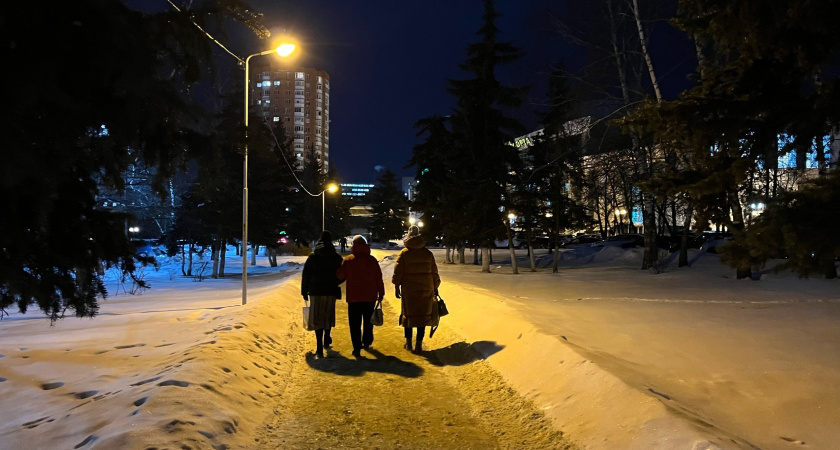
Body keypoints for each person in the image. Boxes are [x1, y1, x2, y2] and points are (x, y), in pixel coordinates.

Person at [392, 225, 441, 354]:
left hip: (409, 290)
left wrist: (397, 287)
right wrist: (435, 287)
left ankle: (408, 343)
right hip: (426, 288)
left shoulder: (404, 253)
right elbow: (434, 273)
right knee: (422, 316)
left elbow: (398, 273)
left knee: (408, 315)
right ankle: (419, 344)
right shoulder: (427, 254)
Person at [337, 235, 385, 358]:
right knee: (369, 322)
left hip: (353, 297)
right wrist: (381, 292)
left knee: (354, 324)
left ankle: (356, 348)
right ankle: (367, 342)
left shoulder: (348, 260)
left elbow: (340, 276)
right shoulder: (372, 260)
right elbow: (378, 278)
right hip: (370, 296)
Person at [301, 230, 344, 358]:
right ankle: (327, 337)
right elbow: (342, 274)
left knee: (317, 317)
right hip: (330, 291)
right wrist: (336, 282)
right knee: (327, 315)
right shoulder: (336, 257)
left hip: (316, 291)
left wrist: (304, 291)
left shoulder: (313, 257)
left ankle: (319, 347)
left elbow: (306, 275)